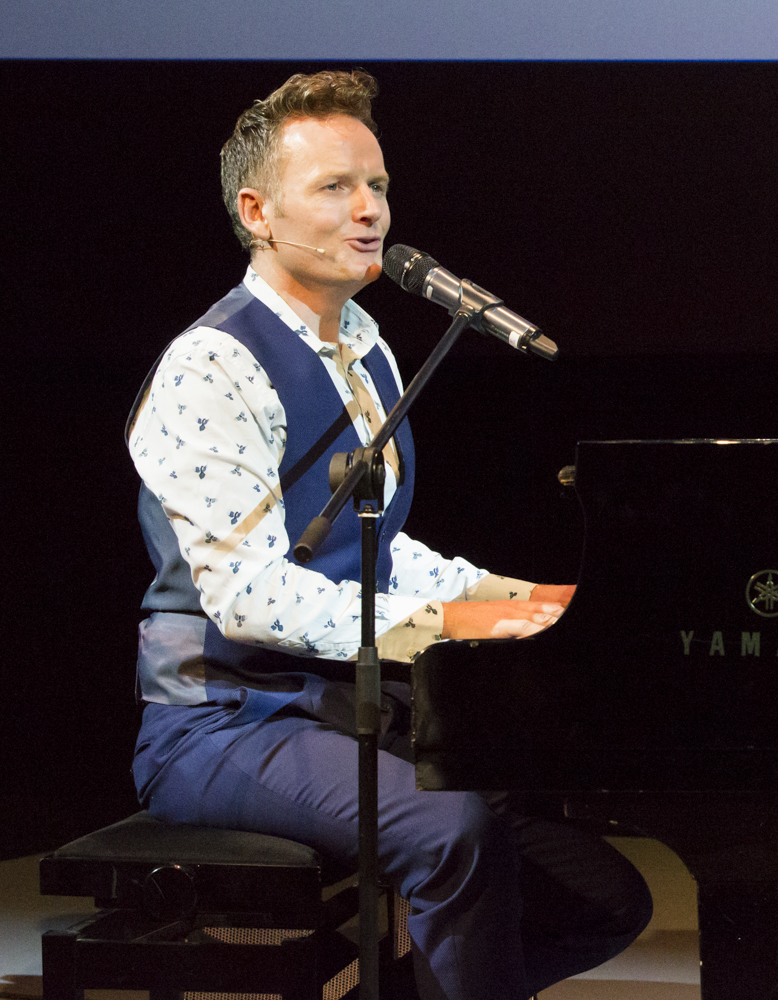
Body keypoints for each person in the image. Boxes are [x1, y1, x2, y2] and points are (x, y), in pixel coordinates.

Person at [126, 69, 651, 1000]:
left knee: (603, 894)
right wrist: (453, 628)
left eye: (378, 187)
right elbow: (247, 595)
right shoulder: (210, 363)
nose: (369, 211)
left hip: (340, 706)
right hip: (220, 725)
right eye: (335, 188)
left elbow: (376, 543)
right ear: (257, 209)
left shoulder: (363, 341)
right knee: (452, 832)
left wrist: (519, 600)